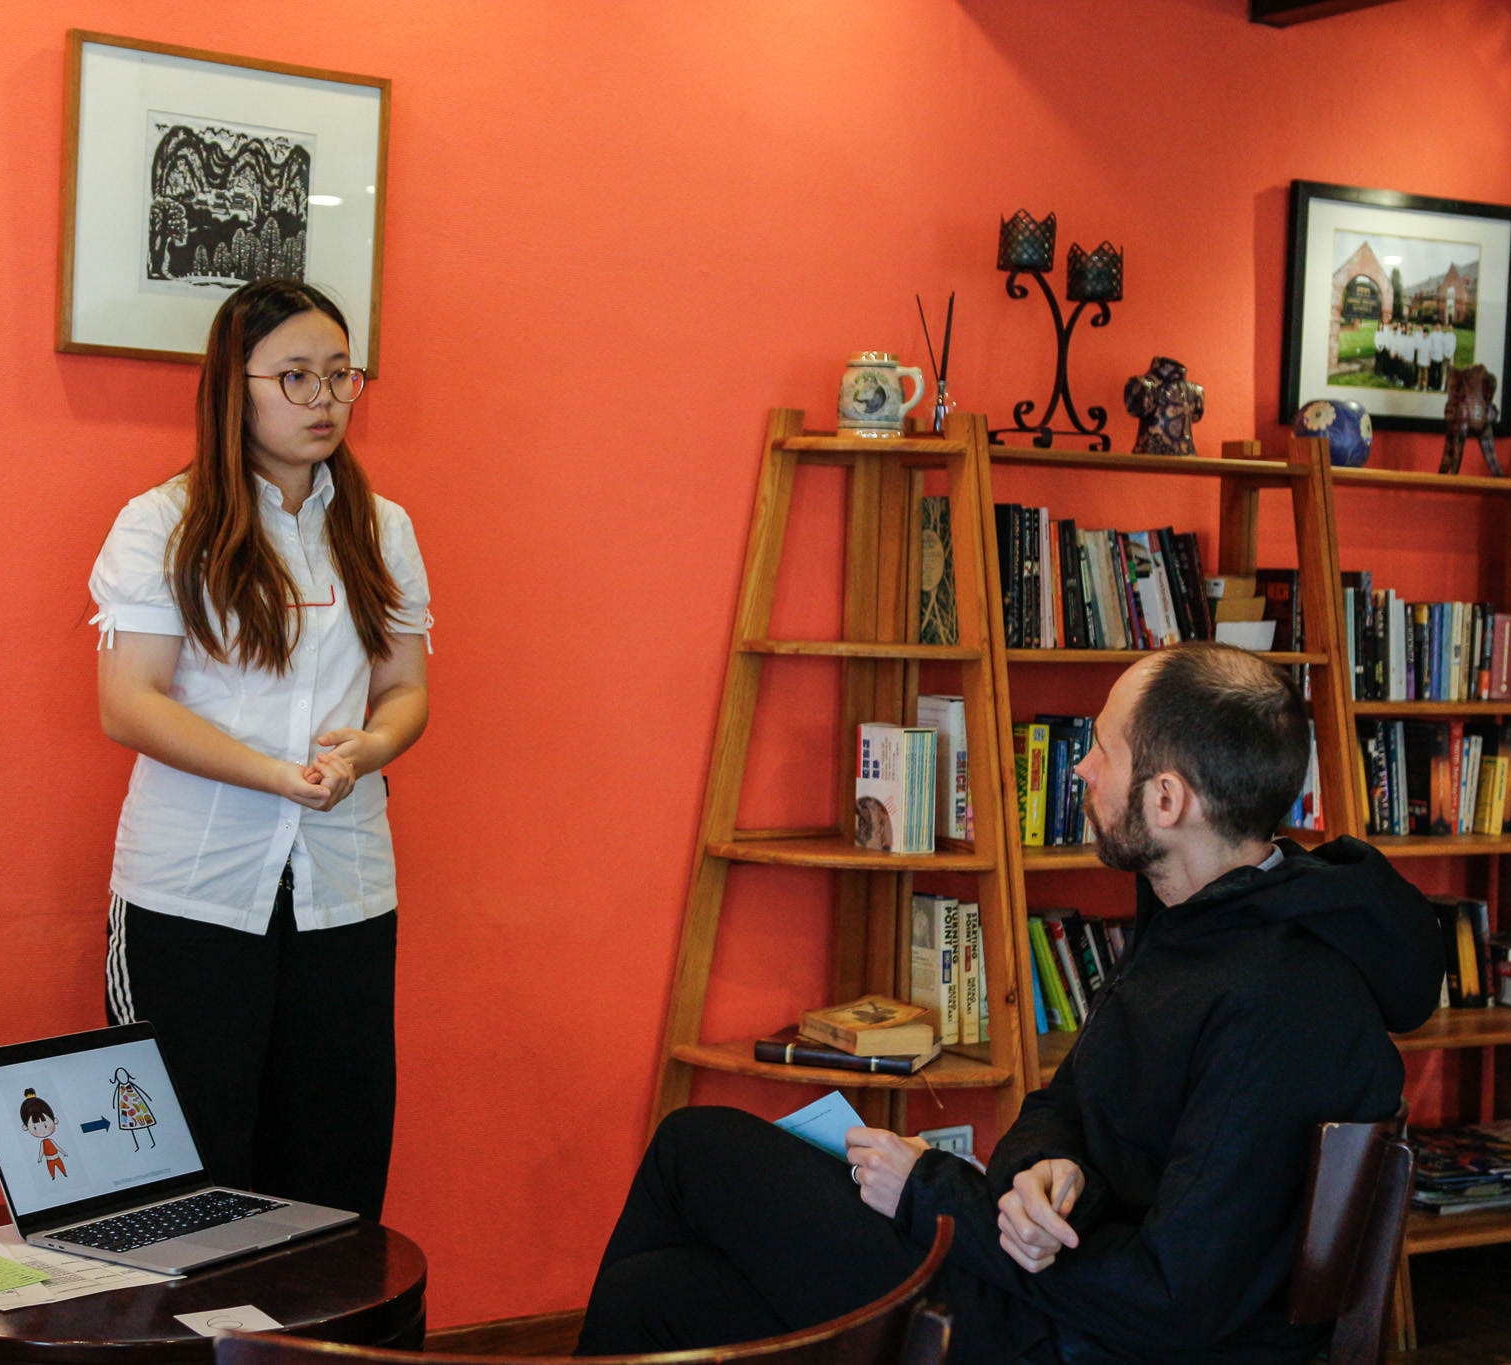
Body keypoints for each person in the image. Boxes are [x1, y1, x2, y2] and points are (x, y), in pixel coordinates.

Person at [579, 643, 1442, 1365]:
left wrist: (930, 1191)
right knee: (652, 1295)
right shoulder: (1197, 915)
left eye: (1103, 749)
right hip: (1048, 1285)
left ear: (1167, 799)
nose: (1083, 767)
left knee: (694, 1145)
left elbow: (1170, 1301)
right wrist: (1046, 1170)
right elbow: (1064, 1107)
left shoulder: (1280, 1000)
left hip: (1085, 1338)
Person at [87, 279, 431, 1222]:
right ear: (232, 388)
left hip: (344, 887)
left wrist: (369, 746)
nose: (325, 400)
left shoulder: (382, 526)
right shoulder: (163, 521)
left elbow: (405, 690)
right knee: (179, 1181)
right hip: (193, 890)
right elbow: (129, 703)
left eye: (341, 376)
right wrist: (275, 776)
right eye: (296, 377)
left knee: (332, 1168)